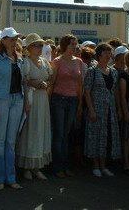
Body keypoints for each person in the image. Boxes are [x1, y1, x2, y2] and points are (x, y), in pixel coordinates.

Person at [0, 27, 27, 190]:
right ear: (3, 40)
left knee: (11, 141)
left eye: (15, 38)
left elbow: (23, 82)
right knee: (0, 141)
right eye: (11, 38)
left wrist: (27, 102)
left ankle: (11, 178)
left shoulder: (20, 59)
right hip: (1, 101)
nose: (14, 41)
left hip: (17, 100)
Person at [16, 33, 52, 180]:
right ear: (28, 48)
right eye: (36, 45)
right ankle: (26, 166)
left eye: (40, 45)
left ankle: (37, 166)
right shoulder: (25, 62)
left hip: (42, 98)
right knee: (30, 130)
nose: (39, 48)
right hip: (31, 98)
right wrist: (33, 83)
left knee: (40, 130)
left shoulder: (44, 61)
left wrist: (45, 84)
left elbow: (50, 77)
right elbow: (23, 81)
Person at [83, 43, 121, 177]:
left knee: (106, 137)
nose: (107, 57)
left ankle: (104, 165)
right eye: (104, 54)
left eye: (109, 54)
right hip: (96, 108)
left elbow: (115, 91)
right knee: (95, 137)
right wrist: (91, 110)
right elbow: (86, 92)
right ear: (98, 56)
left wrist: (118, 109)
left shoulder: (114, 71)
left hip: (110, 109)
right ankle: (95, 165)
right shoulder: (92, 71)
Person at [50, 34, 83, 177]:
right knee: (59, 134)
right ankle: (58, 167)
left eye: (75, 44)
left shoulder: (79, 62)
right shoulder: (56, 62)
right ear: (65, 45)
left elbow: (80, 84)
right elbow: (52, 83)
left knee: (67, 134)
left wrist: (80, 104)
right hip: (59, 99)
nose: (74, 47)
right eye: (71, 44)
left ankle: (66, 166)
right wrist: (48, 100)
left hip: (73, 100)